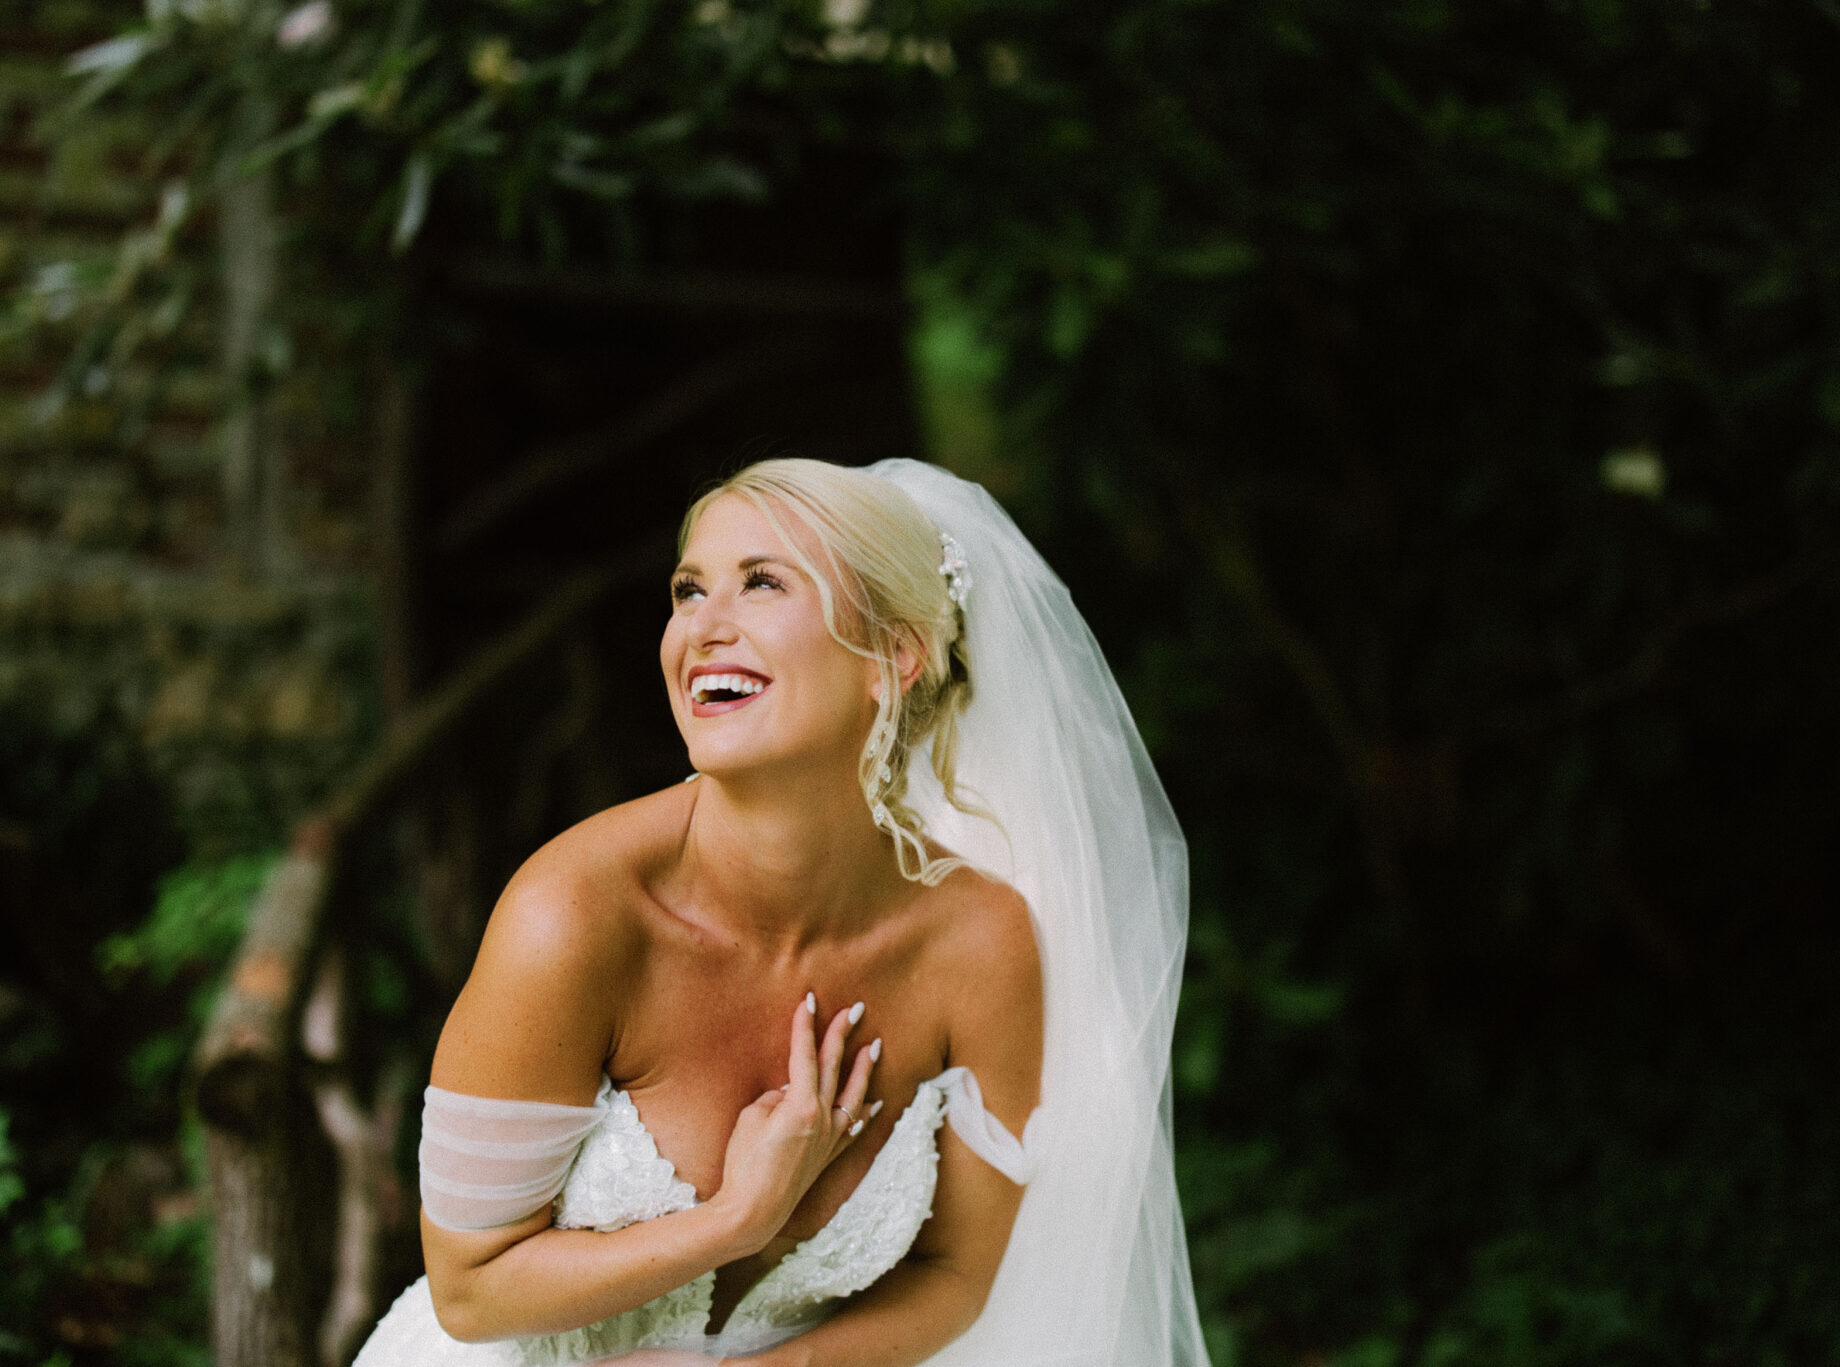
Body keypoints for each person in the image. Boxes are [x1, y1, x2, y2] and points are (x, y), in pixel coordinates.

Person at [352, 458, 1208, 1367]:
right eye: (688, 591)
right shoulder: (574, 914)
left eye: (762, 582)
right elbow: (471, 1289)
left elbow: (958, 1271)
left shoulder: (979, 942)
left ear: (894, 655)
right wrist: (735, 1218)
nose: (702, 629)